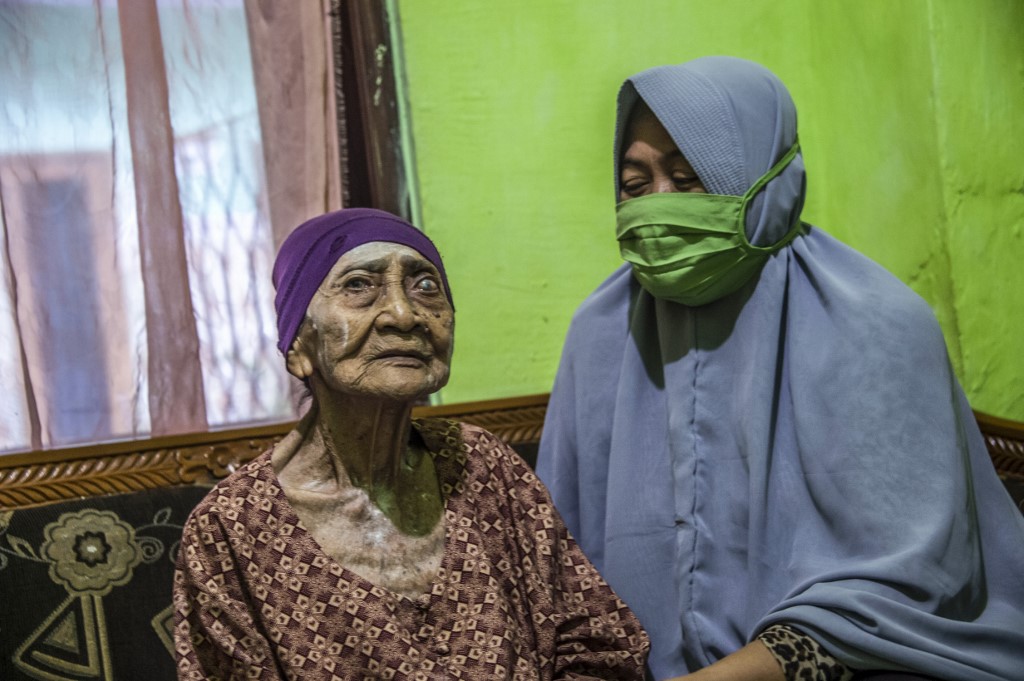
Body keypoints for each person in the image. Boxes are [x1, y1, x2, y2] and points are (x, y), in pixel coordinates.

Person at [535, 56, 1024, 681]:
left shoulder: (875, 324)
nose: (659, 206)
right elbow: (560, 574)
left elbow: (907, 586)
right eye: (636, 185)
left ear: (770, 181)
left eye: (688, 180)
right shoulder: (600, 334)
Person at [173, 208, 649, 680]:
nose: (405, 314)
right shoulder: (232, 531)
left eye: (425, 285)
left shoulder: (482, 465)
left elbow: (596, 643)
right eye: (359, 285)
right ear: (297, 347)